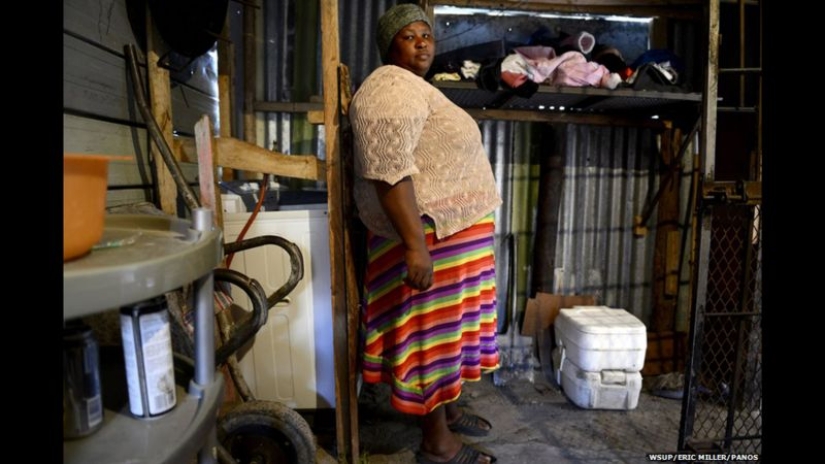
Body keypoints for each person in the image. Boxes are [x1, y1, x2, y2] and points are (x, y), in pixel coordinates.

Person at [349, 4, 502, 464]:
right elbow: (389, 171)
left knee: (448, 334)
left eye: (426, 35)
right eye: (408, 36)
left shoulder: (413, 88)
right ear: (388, 47)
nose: (421, 42)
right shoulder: (388, 87)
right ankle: (437, 445)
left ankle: (448, 409)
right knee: (430, 340)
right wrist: (416, 247)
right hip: (430, 238)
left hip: (451, 236)